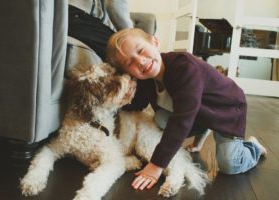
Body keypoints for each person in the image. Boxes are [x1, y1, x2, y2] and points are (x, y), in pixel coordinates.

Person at [106, 28, 267, 191]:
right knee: (161, 119)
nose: (140, 62)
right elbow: (135, 105)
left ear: (154, 42)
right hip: (198, 110)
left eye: (140, 51)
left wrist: (156, 164)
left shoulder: (184, 67)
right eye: (130, 63)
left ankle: (253, 148)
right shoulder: (146, 79)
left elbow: (182, 120)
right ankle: (203, 127)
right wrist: (109, 104)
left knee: (230, 164)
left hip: (226, 110)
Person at [68, 0, 133, 61]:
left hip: (69, 13)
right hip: (74, 14)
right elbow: (114, 6)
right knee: (118, 51)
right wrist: (133, 38)